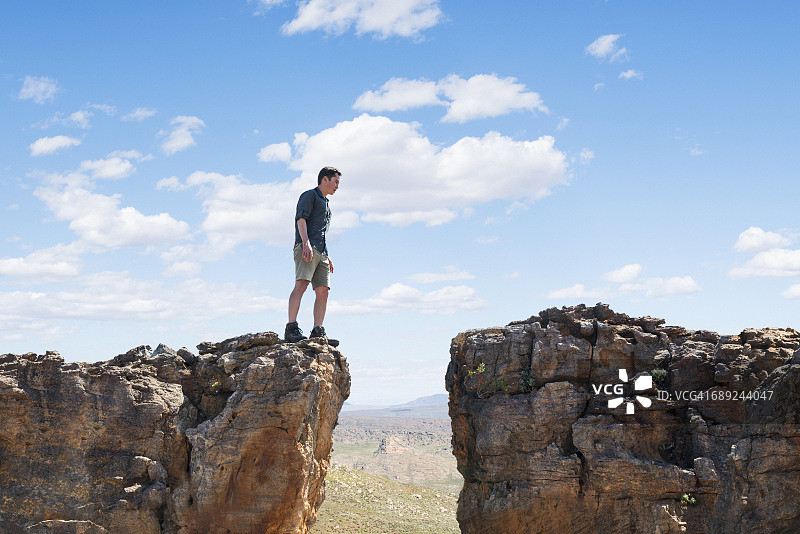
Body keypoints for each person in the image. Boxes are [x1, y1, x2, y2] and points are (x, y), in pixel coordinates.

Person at [285, 166, 340, 346]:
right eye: (335, 182)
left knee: (323, 291)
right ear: (325, 179)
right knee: (301, 284)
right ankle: (291, 328)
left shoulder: (326, 203)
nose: (337, 186)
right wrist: (305, 243)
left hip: (321, 252)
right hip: (307, 247)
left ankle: (318, 330)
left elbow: (322, 232)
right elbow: (301, 219)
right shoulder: (310, 195)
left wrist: (327, 255)